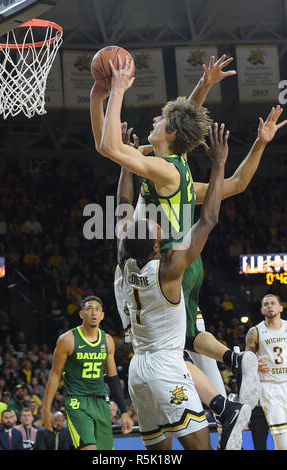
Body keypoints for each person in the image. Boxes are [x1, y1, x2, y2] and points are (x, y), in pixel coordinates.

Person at [90, 54, 286, 406]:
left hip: (168, 264)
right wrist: (206, 87)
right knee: (190, 336)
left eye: (159, 119)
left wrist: (113, 91)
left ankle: (217, 403)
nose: (153, 119)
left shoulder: (163, 170)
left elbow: (108, 146)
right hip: (188, 261)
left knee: (162, 348)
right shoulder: (177, 165)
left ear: (169, 133)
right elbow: (235, 180)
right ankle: (234, 366)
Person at [114, 121, 251, 450]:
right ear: (157, 246)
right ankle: (224, 404)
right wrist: (218, 164)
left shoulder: (124, 265)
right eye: (154, 228)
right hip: (167, 369)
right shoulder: (170, 271)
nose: (154, 223)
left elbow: (122, 203)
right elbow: (209, 219)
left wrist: (127, 161)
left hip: (137, 370)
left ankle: (224, 405)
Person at [42, 296, 133, 450]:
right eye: (89, 309)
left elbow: (112, 377)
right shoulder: (67, 340)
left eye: (97, 309)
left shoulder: (108, 340)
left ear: (102, 315)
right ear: (81, 314)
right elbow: (55, 374)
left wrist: (124, 411)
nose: (93, 313)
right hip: (77, 402)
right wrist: (46, 409)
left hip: (101, 402)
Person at [245, 294, 287, 450]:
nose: (270, 306)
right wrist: (254, 365)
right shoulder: (254, 332)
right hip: (270, 388)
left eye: (273, 303)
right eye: (266, 304)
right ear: (262, 310)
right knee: (282, 442)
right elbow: (246, 361)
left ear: (280, 307)